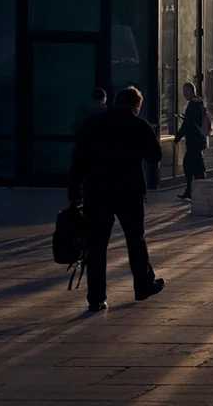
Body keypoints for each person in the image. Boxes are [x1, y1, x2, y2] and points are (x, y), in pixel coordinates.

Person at [69, 86, 164, 313]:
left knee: (97, 246)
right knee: (135, 241)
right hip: (129, 194)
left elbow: (78, 161)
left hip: (97, 193)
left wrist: (73, 193)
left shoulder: (92, 124)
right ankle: (142, 286)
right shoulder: (139, 125)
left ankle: (96, 298)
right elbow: (155, 157)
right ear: (136, 106)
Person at [174, 82, 209, 201]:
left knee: (194, 167)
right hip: (198, 141)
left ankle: (201, 193)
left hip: (195, 141)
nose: (184, 95)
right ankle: (191, 191)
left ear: (190, 91)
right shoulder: (198, 104)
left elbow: (188, 124)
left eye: (185, 92)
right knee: (192, 166)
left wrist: (177, 137)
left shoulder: (193, 105)